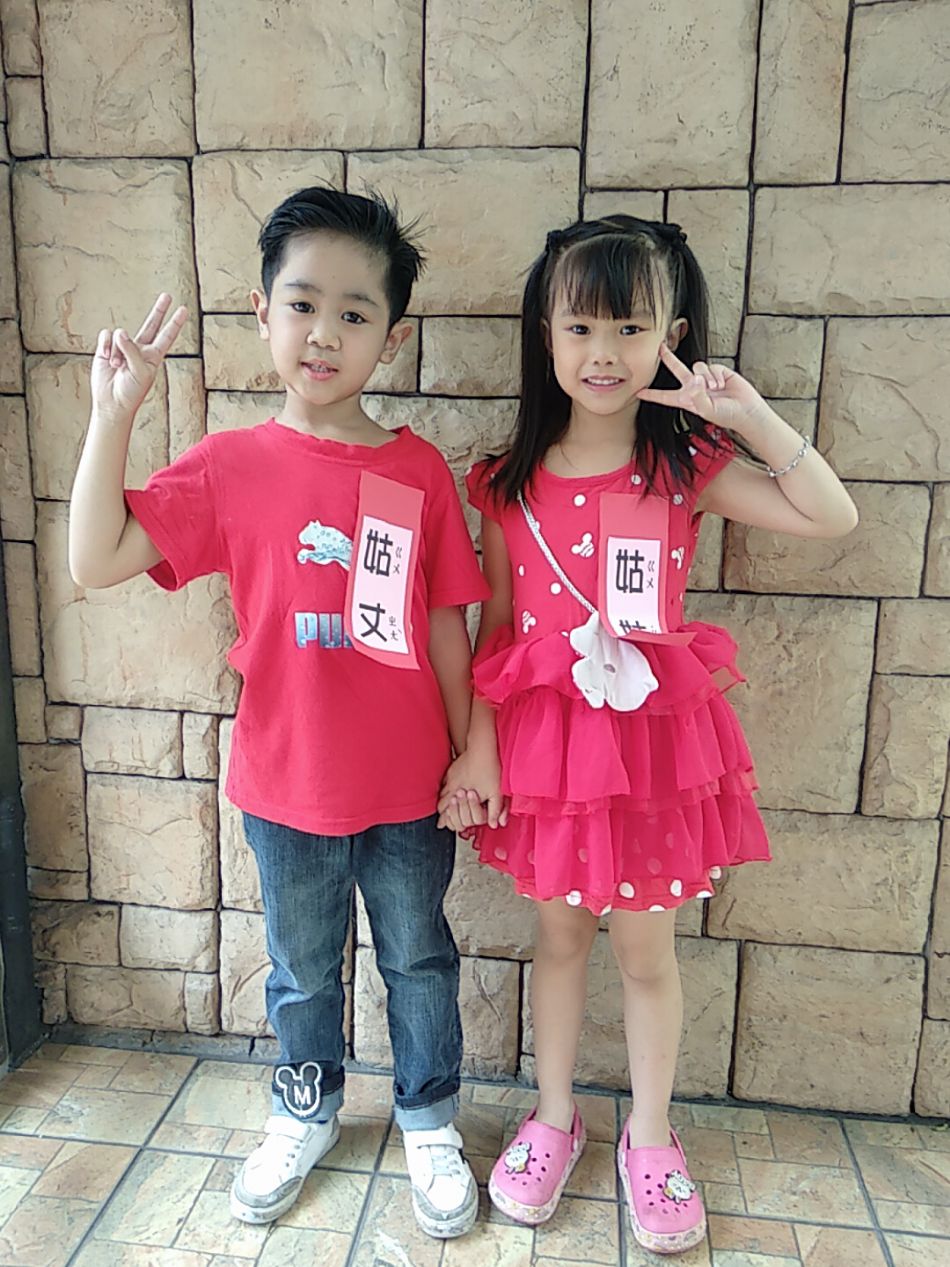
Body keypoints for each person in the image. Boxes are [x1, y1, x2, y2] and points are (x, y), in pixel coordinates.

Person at [68, 187, 487, 1240]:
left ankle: (429, 1118)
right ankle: (303, 1108)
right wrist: (113, 414)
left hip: (410, 788)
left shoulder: (417, 471)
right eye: (302, 304)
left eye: (354, 313)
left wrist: (470, 753)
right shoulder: (229, 465)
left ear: (392, 337)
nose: (324, 333)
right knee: (302, 969)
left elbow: (448, 629)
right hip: (285, 783)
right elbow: (94, 558)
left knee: (419, 958)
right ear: (263, 313)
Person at [438, 215, 858, 1254]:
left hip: (651, 757)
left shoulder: (686, 465)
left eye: (630, 327)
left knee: (643, 946)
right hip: (547, 754)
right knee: (558, 937)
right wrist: (477, 746)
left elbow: (829, 516)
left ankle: (653, 1133)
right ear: (545, 333)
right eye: (581, 326)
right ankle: (552, 1116)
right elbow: (494, 625)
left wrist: (750, 416)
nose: (604, 352)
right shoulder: (505, 481)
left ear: (670, 334)